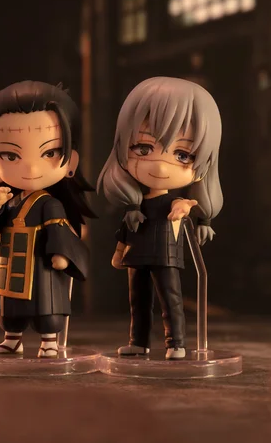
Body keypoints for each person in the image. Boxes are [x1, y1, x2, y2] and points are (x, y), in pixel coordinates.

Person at [97, 77, 223, 360]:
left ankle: (175, 343)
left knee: (171, 300)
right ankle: (138, 342)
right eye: (143, 149)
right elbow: (125, 232)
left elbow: (183, 205)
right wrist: (118, 252)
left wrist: (185, 206)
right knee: (138, 301)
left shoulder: (174, 203)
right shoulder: (135, 206)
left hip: (165, 256)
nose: (161, 166)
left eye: (182, 154)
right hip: (136, 256)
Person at [0, 81, 96, 358]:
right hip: (9, 263)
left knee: (45, 306)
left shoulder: (50, 205)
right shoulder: (8, 201)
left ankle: (49, 340)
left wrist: (61, 254)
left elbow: (58, 231)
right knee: (9, 309)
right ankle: (12, 338)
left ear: (71, 161)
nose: (31, 167)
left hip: (40, 266)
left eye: (49, 153)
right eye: (11, 155)